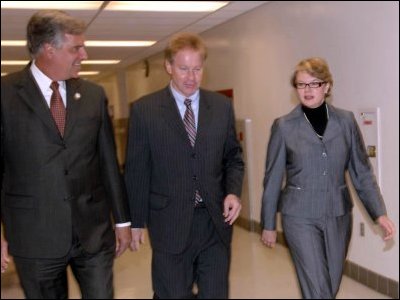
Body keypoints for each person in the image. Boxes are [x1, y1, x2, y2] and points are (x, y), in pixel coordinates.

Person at [1, 10, 132, 299]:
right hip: (34, 236)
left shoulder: (93, 95)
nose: (83, 54)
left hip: (93, 233)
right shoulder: (6, 94)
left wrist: (122, 221)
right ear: (49, 49)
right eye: (76, 48)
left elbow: (108, 162)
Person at [260, 57, 396, 299]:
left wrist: (379, 212)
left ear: (327, 86)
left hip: (338, 214)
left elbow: (361, 170)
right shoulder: (284, 126)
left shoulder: (346, 122)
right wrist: (268, 224)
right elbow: (272, 178)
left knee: (329, 286)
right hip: (299, 215)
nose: (308, 90)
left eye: (314, 84)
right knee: (318, 288)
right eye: (301, 85)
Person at [124, 32, 244, 299]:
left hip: (214, 221)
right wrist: (136, 221)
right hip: (169, 222)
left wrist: (233, 192)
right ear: (168, 67)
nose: (191, 77)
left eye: (197, 69)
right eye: (183, 69)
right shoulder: (146, 110)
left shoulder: (221, 107)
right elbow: (137, 170)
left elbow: (233, 157)